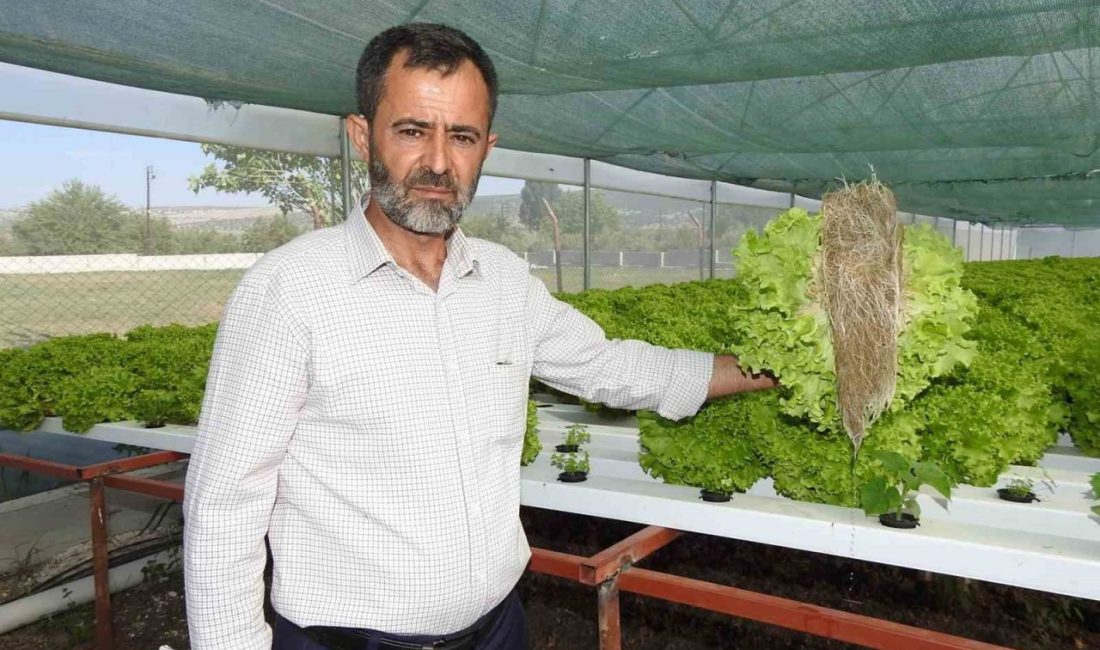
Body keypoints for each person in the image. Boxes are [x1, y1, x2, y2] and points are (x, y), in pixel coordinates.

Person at [183, 22, 777, 650]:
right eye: (412, 130)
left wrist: (766, 368)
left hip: (498, 630)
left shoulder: (504, 280)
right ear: (363, 136)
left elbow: (610, 366)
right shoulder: (289, 288)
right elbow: (226, 502)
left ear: (486, 148)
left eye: (461, 136)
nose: (438, 162)